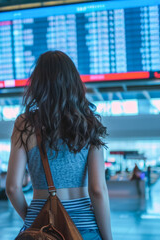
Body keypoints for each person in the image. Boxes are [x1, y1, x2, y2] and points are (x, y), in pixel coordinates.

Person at [6, 51, 113, 240]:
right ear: (74, 83)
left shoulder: (25, 123)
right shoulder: (89, 124)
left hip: (41, 230)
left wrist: (33, 219)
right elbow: (97, 190)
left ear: (38, 84)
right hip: (84, 228)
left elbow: (13, 187)